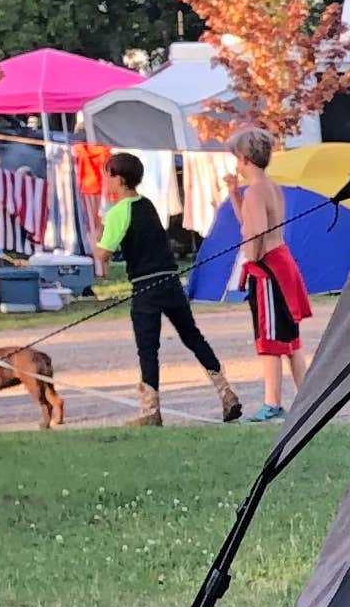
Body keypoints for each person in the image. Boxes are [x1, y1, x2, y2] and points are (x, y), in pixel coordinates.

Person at [101, 151, 240, 423]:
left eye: (107, 177)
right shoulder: (147, 204)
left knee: (148, 349)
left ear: (118, 178)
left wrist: (97, 236)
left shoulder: (119, 211)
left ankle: (151, 411)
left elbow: (102, 254)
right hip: (170, 281)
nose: (106, 182)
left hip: (145, 286)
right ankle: (227, 393)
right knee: (193, 336)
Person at [230, 136, 310, 417]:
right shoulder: (271, 187)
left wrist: (250, 257)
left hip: (267, 270)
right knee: (290, 341)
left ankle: (272, 403)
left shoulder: (255, 191)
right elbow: (249, 221)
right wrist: (233, 194)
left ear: (244, 158)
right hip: (282, 263)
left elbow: (257, 231)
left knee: (269, 341)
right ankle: (308, 398)